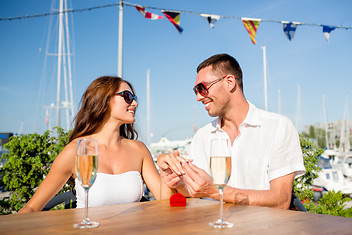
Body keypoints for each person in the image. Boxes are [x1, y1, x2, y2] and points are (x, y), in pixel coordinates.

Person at [157, 53, 306, 209]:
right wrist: (173, 179)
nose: (198, 98)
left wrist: (215, 191)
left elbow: (280, 200)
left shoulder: (278, 127)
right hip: (211, 228)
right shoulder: (202, 135)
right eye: (196, 91)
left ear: (229, 82)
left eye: (202, 88)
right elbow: (196, 191)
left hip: (261, 230)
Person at [19, 76, 172, 213]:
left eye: (134, 97)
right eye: (127, 96)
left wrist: (166, 174)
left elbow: (164, 201)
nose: (135, 103)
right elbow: (32, 207)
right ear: (103, 100)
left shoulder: (139, 149)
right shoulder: (77, 150)